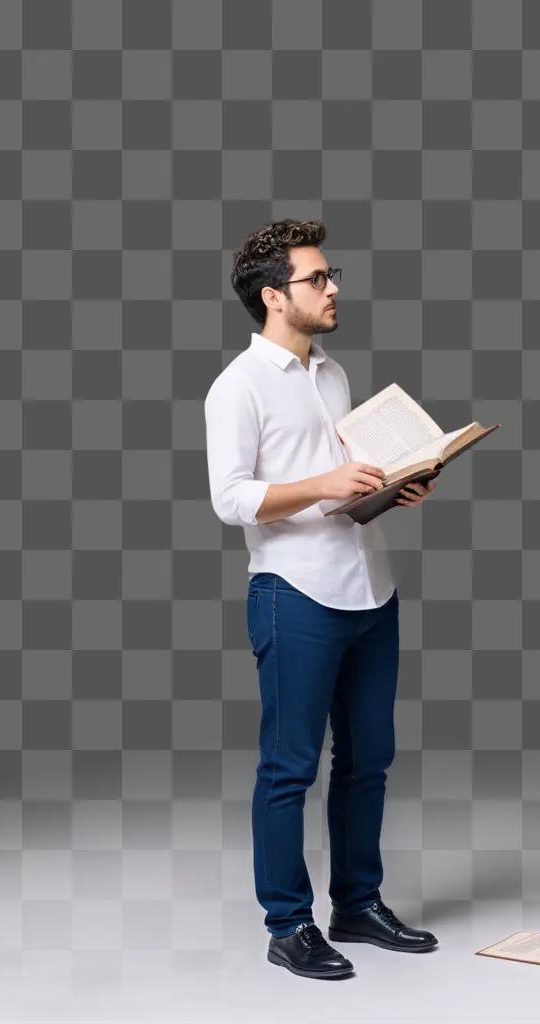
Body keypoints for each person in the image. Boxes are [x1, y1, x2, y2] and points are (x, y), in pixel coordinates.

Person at [204, 219, 438, 979]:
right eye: (317, 278)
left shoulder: (331, 373)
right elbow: (231, 498)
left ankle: (358, 904)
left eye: (331, 274)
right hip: (293, 591)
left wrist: (389, 486)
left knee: (369, 757)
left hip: (370, 585)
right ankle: (288, 923)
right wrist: (328, 484)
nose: (333, 287)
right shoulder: (237, 387)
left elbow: (344, 479)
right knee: (289, 767)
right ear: (275, 296)